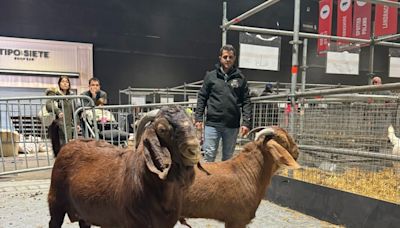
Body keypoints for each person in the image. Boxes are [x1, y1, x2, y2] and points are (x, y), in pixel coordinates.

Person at [195, 44, 252, 162]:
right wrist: (198, 118)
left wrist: (246, 122)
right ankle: (207, 181)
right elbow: (202, 97)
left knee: (228, 158)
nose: (228, 60)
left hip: (232, 126)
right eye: (225, 57)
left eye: (231, 57)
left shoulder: (240, 78)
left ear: (234, 58)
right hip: (212, 124)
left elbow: (246, 101)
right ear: (220, 58)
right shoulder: (210, 76)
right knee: (208, 156)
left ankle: (224, 181)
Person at [46, 75, 78, 156]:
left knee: (69, 148)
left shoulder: (72, 96)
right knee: (60, 148)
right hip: (58, 126)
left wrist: (77, 123)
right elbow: (49, 104)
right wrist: (58, 111)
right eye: (63, 81)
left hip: (69, 126)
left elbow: (75, 111)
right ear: (59, 83)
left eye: (67, 82)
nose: (65, 83)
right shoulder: (55, 94)